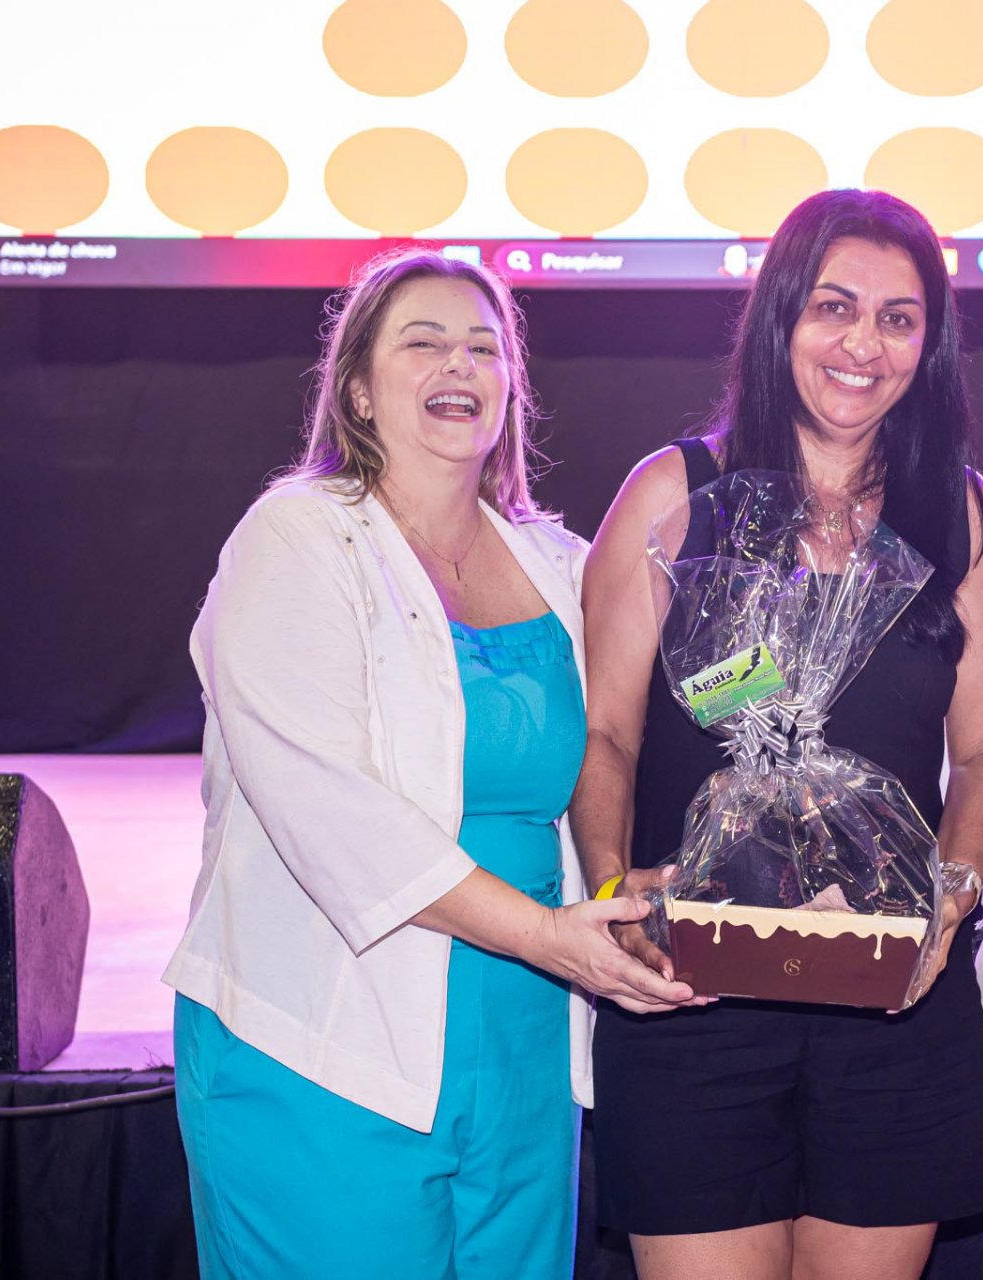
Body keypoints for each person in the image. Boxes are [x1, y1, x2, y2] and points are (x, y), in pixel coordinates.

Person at [162, 248, 692, 1280]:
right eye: (424, 341)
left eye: (484, 348)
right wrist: (549, 934)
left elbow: (630, 739)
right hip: (323, 1040)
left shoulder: (560, 562)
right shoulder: (296, 538)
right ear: (358, 388)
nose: (460, 364)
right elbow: (328, 808)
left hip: (523, 1042)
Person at [575, 189, 983, 1280]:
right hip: (693, 988)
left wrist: (953, 892)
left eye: (898, 318)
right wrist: (612, 893)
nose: (863, 344)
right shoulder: (674, 495)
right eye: (834, 307)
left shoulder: (957, 512)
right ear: (779, 316)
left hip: (892, 992)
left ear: (930, 344)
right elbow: (608, 735)